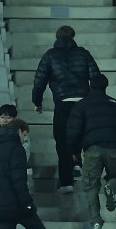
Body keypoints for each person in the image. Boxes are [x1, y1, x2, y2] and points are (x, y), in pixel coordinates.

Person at [31, 25, 100, 192]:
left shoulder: (50, 56)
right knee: (81, 135)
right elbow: (96, 77)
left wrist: (37, 102)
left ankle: (66, 182)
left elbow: (39, 81)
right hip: (83, 103)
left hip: (63, 102)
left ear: (57, 37)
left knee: (62, 141)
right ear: (73, 37)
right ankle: (77, 163)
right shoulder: (83, 53)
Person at [65, 72, 116, 229]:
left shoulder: (82, 105)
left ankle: (96, 223)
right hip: (113, 148)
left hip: (91, 150)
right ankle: (110, 186)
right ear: (106, 86)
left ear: (90, 85)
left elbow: (72, 132)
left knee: (90, 187)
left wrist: (74, 152)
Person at [0, 119, 45, 229]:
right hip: (16, 205)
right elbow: (19, 181)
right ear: (19, 131)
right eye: (24, 134)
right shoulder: (17, 150)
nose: (24, 138)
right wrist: (28, 204)